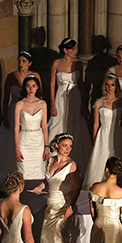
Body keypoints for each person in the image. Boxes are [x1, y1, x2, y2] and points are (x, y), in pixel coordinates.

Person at [34, 133, 81, 243]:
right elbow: (49, 179)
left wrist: (70, 206)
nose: (68, 149)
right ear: (57, 145)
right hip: (50, 207)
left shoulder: (72, 165)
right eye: (65, 145)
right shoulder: (51, 160)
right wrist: (41, 186)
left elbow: (76, 188)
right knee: (44, 240)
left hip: (62, 208)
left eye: (70, 147)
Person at [0, 51, 42, 184]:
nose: (21, 64)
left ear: (30, 63)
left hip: (30, 112)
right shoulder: (11, 77)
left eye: (24, 61)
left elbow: (40, 96)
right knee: (11, 142)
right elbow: (5, 97)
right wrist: (4, 116)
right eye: (19, 61)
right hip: (14, 110)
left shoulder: (35, 76)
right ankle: (10, 173)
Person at [49, 37, 92, 170]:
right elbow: (52, 85)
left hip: (75, 98)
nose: (75, 51)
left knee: (75, 124)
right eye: (73, 49)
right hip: (60, 98)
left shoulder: (78, 63)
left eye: (75, 48)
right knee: (58, 123)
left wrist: (84, 104)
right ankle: (54, 156)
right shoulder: (56, 63)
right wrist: (52, 104)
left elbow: (81, 84)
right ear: (65, 50)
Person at [83, 73, 122, 188]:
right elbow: (96, 124)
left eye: (112, 85)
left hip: (117, 134)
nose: (110, 88)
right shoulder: (99, 102)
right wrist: (95, 140)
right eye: (107, 85)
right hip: (103, 134)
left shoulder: (121, 101)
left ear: (116, 87)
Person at [14, 74, 49, 180]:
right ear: (24, 87)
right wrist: (16, 148)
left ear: (37, 87)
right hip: (24, 140)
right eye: (28, 86)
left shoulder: (42, 104)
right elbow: (16, 128)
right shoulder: (19, 104)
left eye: (34, 86)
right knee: (23, 171)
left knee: (39, 171)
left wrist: (46, 147)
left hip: (38, 141)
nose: (31, 89)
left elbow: (44, 127)